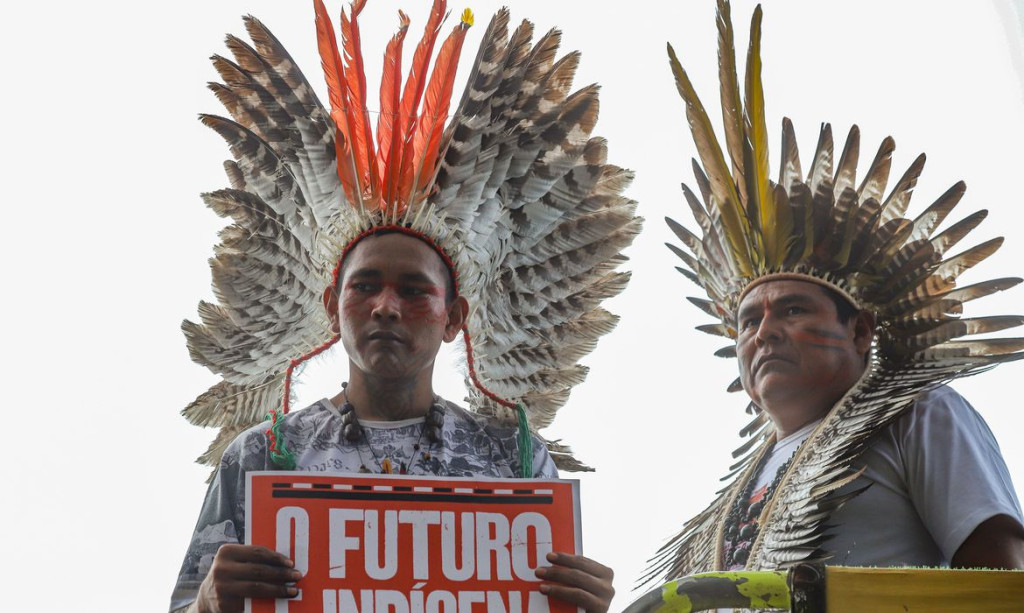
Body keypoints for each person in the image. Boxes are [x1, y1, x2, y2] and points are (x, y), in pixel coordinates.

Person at [170, 2, 640, 611]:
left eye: (414, 290)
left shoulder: (514, 459)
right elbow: (184, 606)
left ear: (454, 319)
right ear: (331, 305)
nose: (385, 306)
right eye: (364, 286)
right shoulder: (261, 457)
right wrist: (208, 602)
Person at [644, 0, 1024, 584]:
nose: (763, 331)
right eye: (747, 321)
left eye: (792, 309)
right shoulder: (727, 506)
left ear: (861, 329)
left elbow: (1002, 581)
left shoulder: (919, 415)